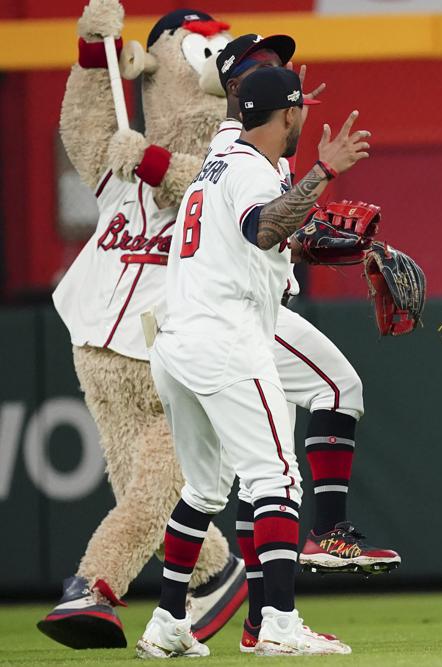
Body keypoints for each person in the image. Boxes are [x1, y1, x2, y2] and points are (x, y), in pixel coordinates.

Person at [135, 67, 369, 657]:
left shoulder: (217, 166)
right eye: (299, 113)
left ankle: (166, 623)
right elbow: (263, 228)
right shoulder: (247, 169)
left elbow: (261, 236)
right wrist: (325, 170)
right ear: (288, 115)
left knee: (205, 487)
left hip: (176, 339)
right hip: (226, 339)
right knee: (278, 480)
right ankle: (280, 627)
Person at [42, 4, 244, 648]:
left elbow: (221, 192)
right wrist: (93, 52)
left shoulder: (237, 161)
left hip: (184, 358)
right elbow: (85, 127)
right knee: (141, 490)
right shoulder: (117, 172)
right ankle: (219, 570)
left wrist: (157, 161)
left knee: (152, 494)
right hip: (101, 352)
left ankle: (94, 588)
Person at [212, 34, 401, 653]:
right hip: (240, 313)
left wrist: (351, 246)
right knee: (338, 388)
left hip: (228, 310)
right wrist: (322, 176)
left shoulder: (253, 153)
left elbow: (283, 233)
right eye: (263, 67)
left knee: (254, 477)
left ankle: (258, 621)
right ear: (238, 89)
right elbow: (264, 228)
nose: (280, 69)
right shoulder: (239, 153)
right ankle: (328, 532)